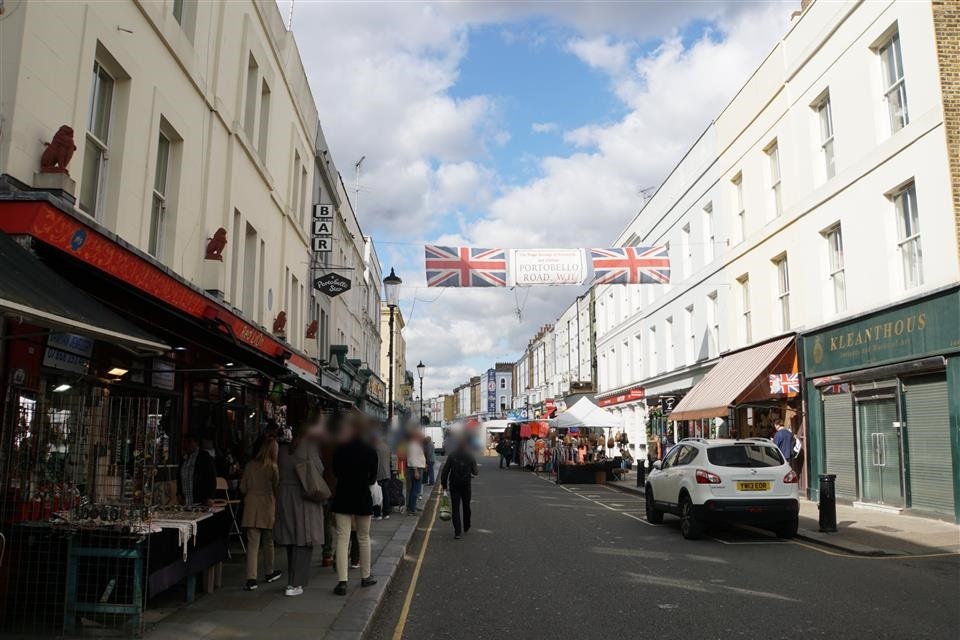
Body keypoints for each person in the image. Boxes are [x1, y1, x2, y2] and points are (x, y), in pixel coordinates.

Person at [274, 398, 325, 598]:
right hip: (304, 497)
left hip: (285, 496)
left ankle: (291, 581)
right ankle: (295, 583)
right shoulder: (308, 447)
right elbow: (319, 469)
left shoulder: (284, 448)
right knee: (304, 542)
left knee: (290, 541)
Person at [331, 413, 379, 596]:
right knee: (363, 537)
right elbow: (373, 477)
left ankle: (342, 582)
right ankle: (365, 577)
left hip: (343, 496)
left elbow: (335, 472)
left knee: (342, 538)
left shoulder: (340, 448)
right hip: (362, 496)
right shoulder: (369, 450)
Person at [239, 439, 281, 590]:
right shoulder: (273, 467)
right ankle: (269, 572)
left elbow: (242, 488)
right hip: (267, 504)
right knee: (268, 540)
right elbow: (277, 488)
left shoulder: (249, 465)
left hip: (251, 505)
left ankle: (251, 578)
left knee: (252, 543)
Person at [440, 436, 478, 539]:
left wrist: (444, 484)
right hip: (466, 484)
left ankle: (457, 532)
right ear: (466, 446)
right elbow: (476, 472)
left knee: (455, 508)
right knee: (466, 506)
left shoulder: (452, 456)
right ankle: (466, 526)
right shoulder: (470, 456)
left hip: (454, 484)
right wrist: (469, 470)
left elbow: (445, 471)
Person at [177, 433, 217, 506]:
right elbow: (179, 478)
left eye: (189, 441)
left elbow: (211, 477)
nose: (186, 445)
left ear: (196, 443)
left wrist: (210, 496)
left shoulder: (204, 457)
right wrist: (179, 493)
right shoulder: (183, 459)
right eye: (184, 442)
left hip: (200, 501)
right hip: (185, 502)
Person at [372, 430, 392, 520]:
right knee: (385, 494)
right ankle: (386, 513)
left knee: (376, 495)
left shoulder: (375, 448)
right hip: (387, 473)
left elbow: (375, 462)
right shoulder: (387, 447)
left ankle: (377, 514)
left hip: (378, 474)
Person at [405, 431, 426, 514]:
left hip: (416, 468)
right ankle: (412, 509)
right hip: (415, 469)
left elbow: (417, 457)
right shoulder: (413, 445)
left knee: (414, 489)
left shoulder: (413, 444)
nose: (421, 438)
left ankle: (413, 506)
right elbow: (413, 459)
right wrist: (416, 471)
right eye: (420, 437)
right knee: (415, 490)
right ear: (416, 437)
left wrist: (424, 463)